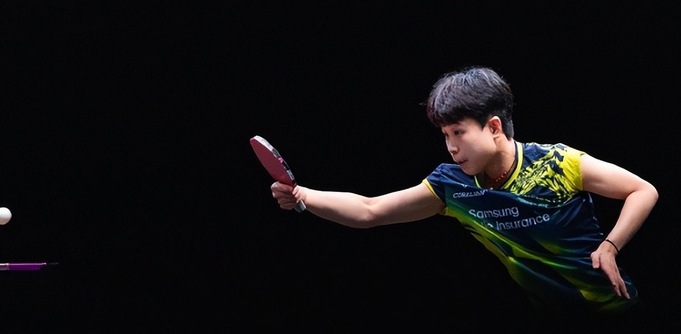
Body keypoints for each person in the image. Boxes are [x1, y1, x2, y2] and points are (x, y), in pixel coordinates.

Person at [269, 66, 658, 317]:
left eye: (459, 132)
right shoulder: (452, 185)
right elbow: (370, 210)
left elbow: (642, 190)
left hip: (615, 309)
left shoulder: (557, 163)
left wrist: (610, 246)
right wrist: (302, 195)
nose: (451, 147)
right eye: (445, 135)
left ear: (493, 126)